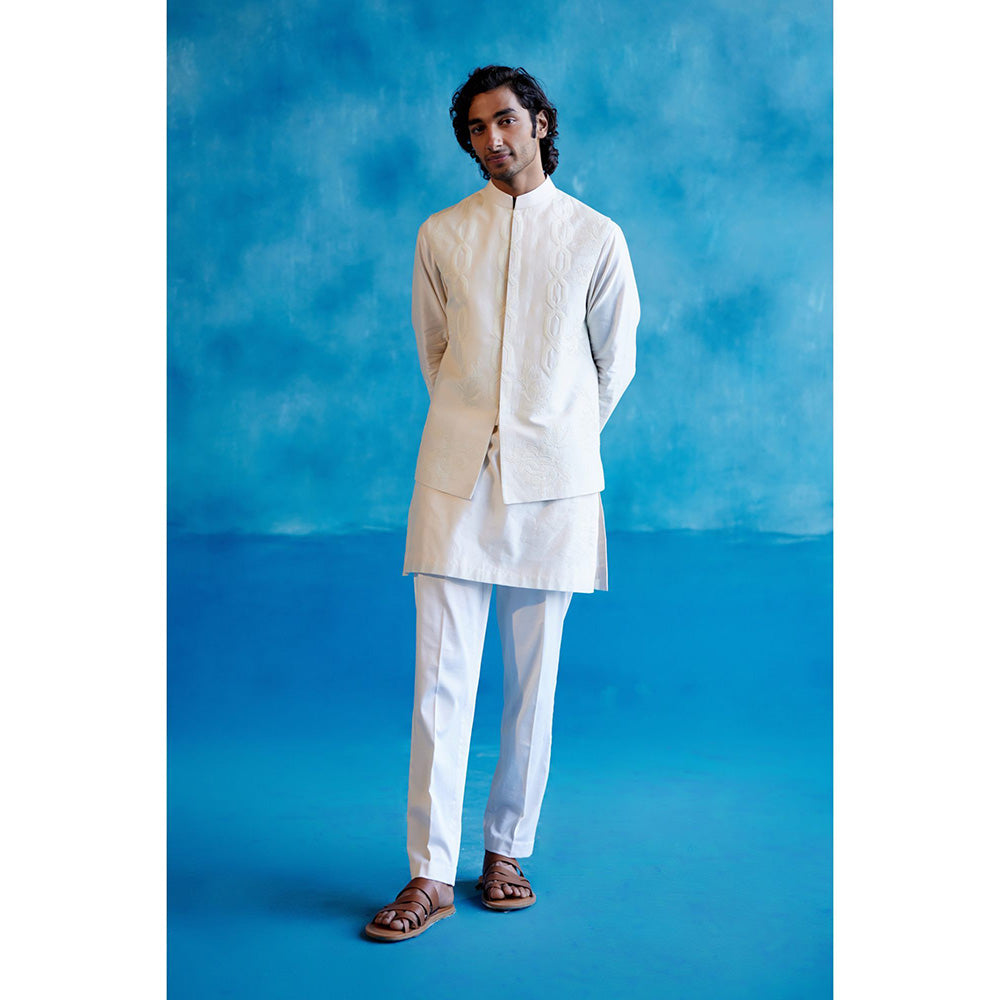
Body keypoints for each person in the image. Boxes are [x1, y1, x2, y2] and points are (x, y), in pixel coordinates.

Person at [364, 65, 640, 942]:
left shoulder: (595, 237)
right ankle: (429, 874)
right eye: (478, 128)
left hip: (555, 485)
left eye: (507, 121)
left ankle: (506, 851)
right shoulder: (442, 234)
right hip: (455, 479)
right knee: (439, 682)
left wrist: (550, 436)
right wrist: (480, 431)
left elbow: (613, 364)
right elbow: (436, 349)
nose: (494, 140)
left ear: (539, 123)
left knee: (534, 682)